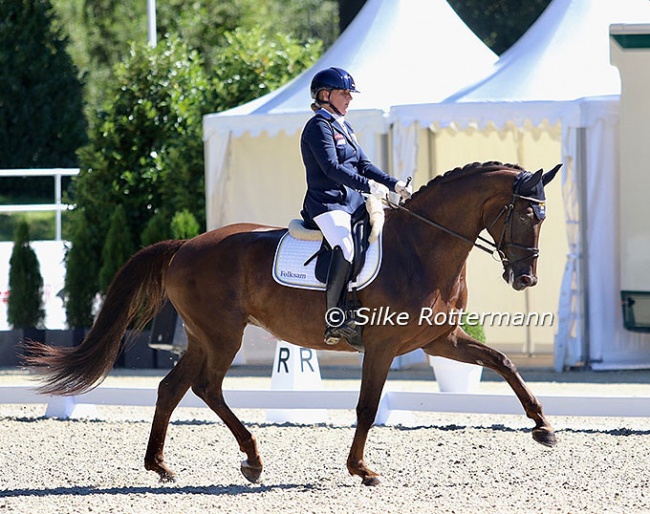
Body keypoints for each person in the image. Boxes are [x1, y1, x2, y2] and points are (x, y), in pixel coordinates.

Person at [299, 66, 411, 345]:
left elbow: (363, 164)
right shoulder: (318, 127)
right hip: (326, 204)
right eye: (344, 93)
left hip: (351, 203)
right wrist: (367, 186)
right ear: (325, 95)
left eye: (350, 94)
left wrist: (393, 183)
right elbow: (331, 167)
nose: (349, 99)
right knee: (346, 246)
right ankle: (335, 319)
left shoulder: (343, 126)